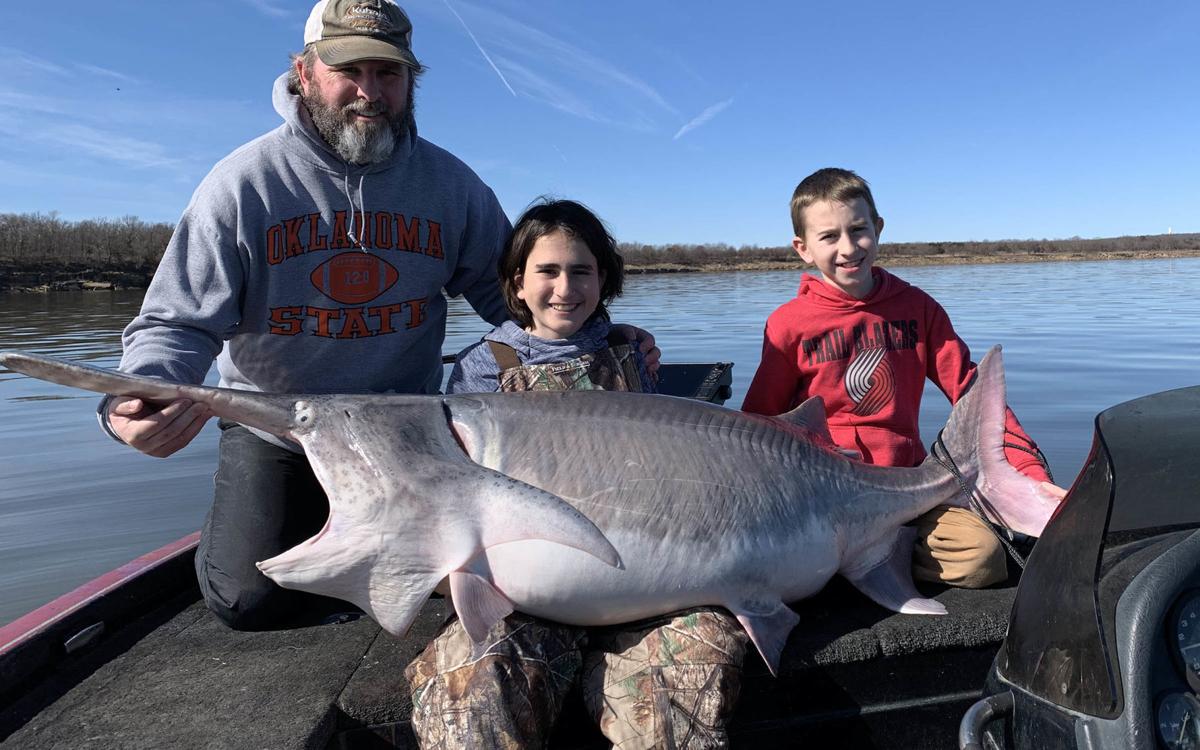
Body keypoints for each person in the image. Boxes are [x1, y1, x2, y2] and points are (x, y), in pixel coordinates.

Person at [99, 0, 656, 631]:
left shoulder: (452, 185)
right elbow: (175, 323)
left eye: (389, 74)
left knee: (516, 573)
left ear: (411, 81)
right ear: (303, 73)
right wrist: (131, 402)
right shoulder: (242, 185)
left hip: (412, 432)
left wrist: (598, 337)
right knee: (246, 601)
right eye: (350, 70)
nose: (370, 92)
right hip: (282, 430)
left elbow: (516, 296)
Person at [405, 199, 749, 749]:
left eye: (581, 271)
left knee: (689, 683)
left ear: (603, 279)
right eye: (548, 271)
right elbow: (454, 492)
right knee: (470, 696)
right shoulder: (483, 365)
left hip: (646, 583)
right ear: (517, 284)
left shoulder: (631, 350)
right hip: (528, 597)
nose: (565, 287)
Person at [742, 167, 1066, 589]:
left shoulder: (918, 308)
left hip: (907, 489)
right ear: (803, 248)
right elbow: (755, 428)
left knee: (982, 558)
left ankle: (867, 557)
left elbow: (974, 396)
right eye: (828, 237)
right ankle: (847, 558)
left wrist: (1031, 477)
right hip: (823, 496)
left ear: (877, 228)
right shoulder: (788, 326)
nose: (847, 247)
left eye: (858, 229)